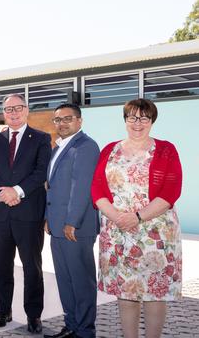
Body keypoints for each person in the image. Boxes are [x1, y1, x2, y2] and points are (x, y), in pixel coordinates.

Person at [91, 99, 182, 338]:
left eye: (144, 118)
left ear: (152, 121)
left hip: (155, 232)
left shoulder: (166, 149)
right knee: (126, 291)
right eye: (132, 117)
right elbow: (97, 189)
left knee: (154, 293)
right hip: (118, 231)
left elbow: (171, 191)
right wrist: (117, 217)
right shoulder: (109, 149)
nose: (138, 123)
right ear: (125, 120)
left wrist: (138, 217)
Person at [0, 94, 50, 334]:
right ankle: (4, 311)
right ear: (4, 112)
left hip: (29, 213)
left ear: (27, 110)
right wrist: (3, 192)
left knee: (32, 267)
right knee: (1, 266)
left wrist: (17, 192)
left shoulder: (41, 138)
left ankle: (34, 316)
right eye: (8, 109)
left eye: (18, 108)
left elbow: (41, 172)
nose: (13, 113)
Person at [44, 104, 100, 338]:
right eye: (58, 120)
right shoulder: (59, 147)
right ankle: (72, 326)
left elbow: (82, 188)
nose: (62, 123)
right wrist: (48, 219)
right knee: (66, 281)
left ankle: (85, 332)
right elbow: (53, 188)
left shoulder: (86, 146)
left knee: (81, 282)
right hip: (58, 227)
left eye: (68, 118)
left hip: (75, 227)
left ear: (80, 121)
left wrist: (71, 222)